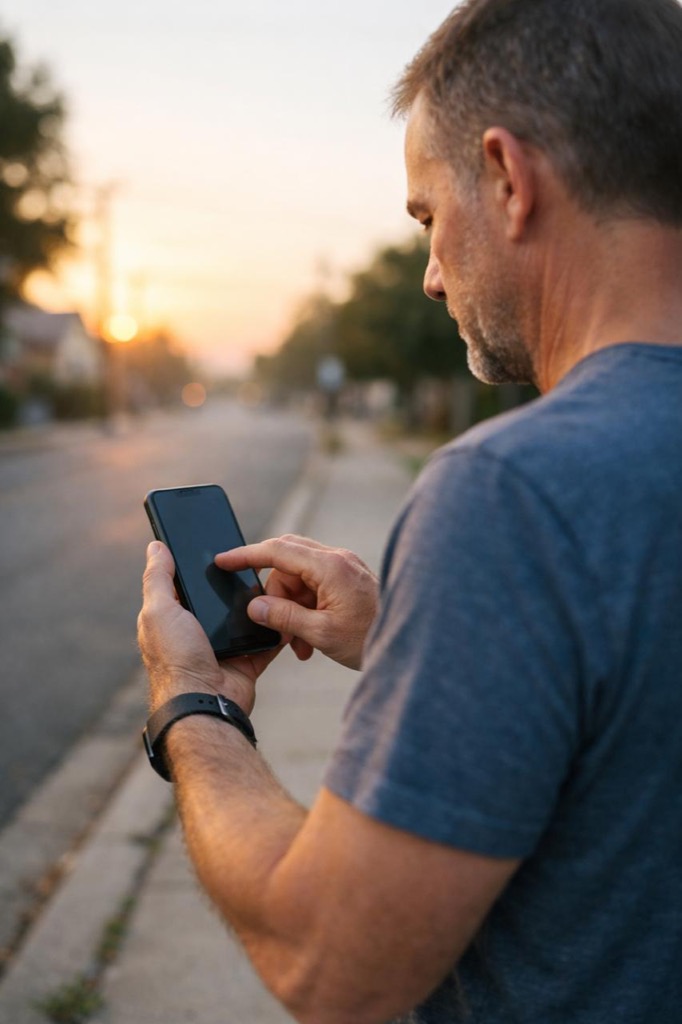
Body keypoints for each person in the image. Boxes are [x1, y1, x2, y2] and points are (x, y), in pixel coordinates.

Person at [137, 0, 682, 1020]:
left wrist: (192, 705)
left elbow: (332, 964)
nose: (429, 278)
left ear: (508, 179)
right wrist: (416, 642)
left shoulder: (513, 495)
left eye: (429, 219)